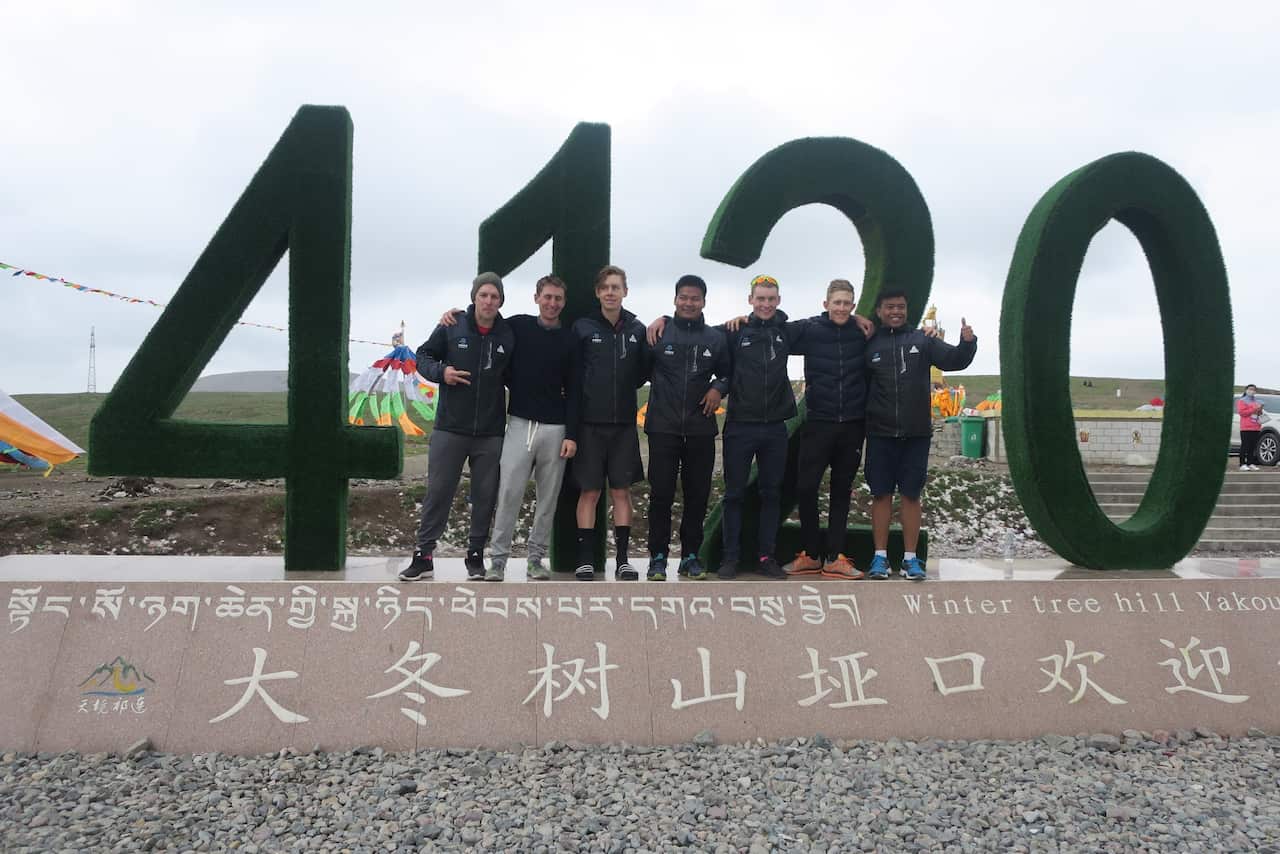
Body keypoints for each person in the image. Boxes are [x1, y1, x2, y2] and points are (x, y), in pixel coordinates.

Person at [434, 275, 579, 580]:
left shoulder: (569, 340)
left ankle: (535, 559)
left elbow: (576, 389)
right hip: (518, 424)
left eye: (558, 299)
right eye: (547, 297)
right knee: (509, 493)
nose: (552, 303)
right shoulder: (517, 326)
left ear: (563, 303)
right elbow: (483, 318)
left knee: (547, 498)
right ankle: (498, 561)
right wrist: (455, 314)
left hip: (556, 430)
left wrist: (571, 435)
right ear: (536, 297)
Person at [401, 273, 515, 582]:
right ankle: (423, 556)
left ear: (501, 301)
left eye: (494, 296)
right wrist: (442, 372)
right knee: (438, 492)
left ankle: (475, 557)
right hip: (450, 428)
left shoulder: (508, 334)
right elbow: (422, 356)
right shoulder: (452, 325)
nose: (489, 301)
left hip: (490, 433)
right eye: (484, 295)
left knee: (484, 495)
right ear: (474, 297)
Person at [864, 289, 976, 581]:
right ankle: (880, 559)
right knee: (881, 495)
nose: (895, 312)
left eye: (900, 307)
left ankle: (911, 559)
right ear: (879, 311)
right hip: (879, 432)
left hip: (916, 434)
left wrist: (967, 343)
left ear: (907, 310)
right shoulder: (869, 344)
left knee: (911, 495)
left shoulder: (923, 340)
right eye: (889, 307)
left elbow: (954, 360)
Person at [643, 274, 730, 580]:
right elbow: (636, 371)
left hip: (700, 429)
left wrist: (718, 388)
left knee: (697, 495)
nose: (689, 303)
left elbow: (728, 373)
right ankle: (657, 557)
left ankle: (691, 555)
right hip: (662, 428)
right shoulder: (658, 334)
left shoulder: (715, 338)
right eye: (684, 297)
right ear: (675, 299)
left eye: (695, 298)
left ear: (704, 301)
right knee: (661, 495)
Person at [785, 279, 872, 580]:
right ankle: (811, 554)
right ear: (826, 304)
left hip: (851, 424)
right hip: (819, 421)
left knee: (841, 492)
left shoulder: (861, 332)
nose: (842, 308)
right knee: (806, 488)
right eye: (837, 303)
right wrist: (743, 320)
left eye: (847, 303)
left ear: (853, 305)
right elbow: (774, 330)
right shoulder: (810, 329)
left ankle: (835, 557)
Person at [571, 265, 652, 580]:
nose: (610, 292)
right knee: (589, 493)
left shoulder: (637, 330)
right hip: (589, 425)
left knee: (621, 492)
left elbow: (644, 372)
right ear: (597, 292)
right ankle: (585, 559)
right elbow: (573, 376)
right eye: (605, 287)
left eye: (615, 287)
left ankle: (622, 559)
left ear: (625, 292)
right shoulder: (582, 328)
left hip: (623, 426)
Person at [715, 274, 799, 580]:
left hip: (775, 427)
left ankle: (766, 557)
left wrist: (856, 319)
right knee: (734, 495)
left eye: (771, 299)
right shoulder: (735, 331)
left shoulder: (786, 331)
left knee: (771, 494)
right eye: (760, 298)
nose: (765, 304)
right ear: (750, 300)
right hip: (740, 425)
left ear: (778, 301)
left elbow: (824, 324)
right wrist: (663, 319)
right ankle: (730, 558)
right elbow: (698, 333)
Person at [1238, 384, 1265, 471]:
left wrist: (1260, 409)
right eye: (1250, 389)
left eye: (1253, 390)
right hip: (1246, 427)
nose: (1252, 391)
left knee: (1252, 446)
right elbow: (1242, 413)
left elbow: (1259, 413)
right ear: (1246, 390)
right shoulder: (1242, 401)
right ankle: (1242, 464)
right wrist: (1253, 409)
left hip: (1256, 426)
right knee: (1245, 446)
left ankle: (1251, 463)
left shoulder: (1256, 401)